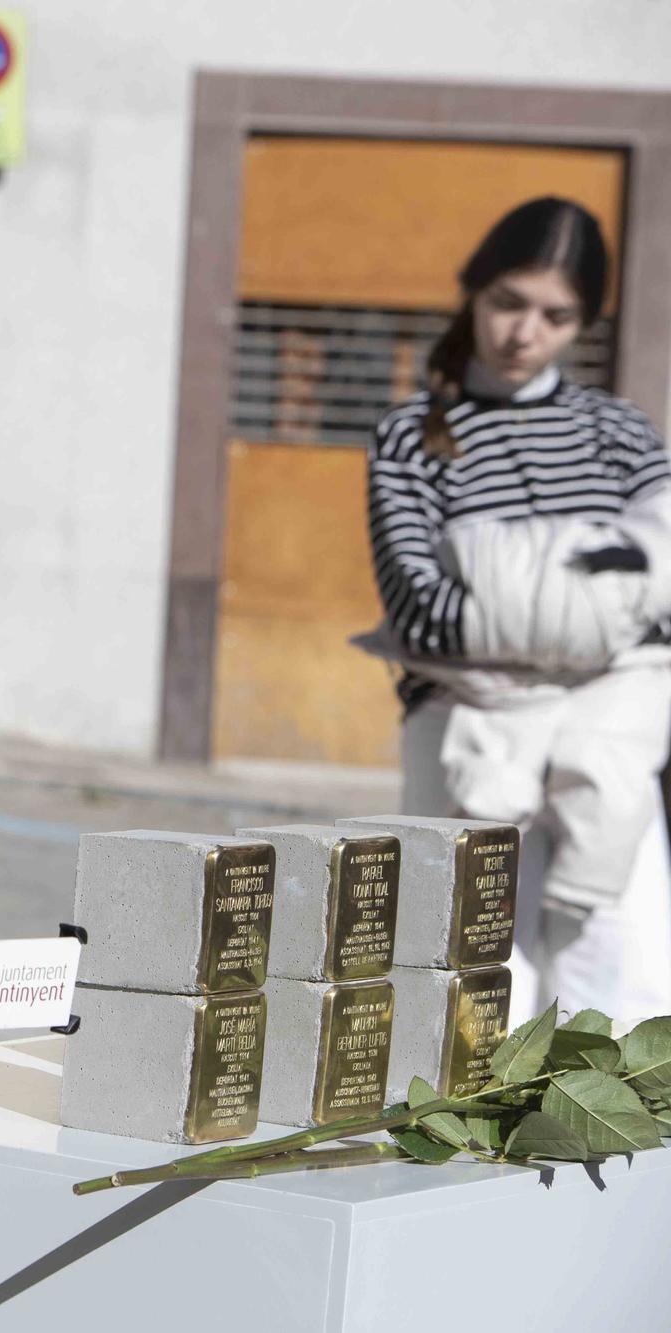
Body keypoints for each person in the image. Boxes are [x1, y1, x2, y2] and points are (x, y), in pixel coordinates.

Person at [361, 196, 671, 1026]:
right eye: (508, 301)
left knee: (621, 989)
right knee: (467, 985)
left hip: (605, 745)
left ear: (584, 323)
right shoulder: (411, 435)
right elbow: (420, 613)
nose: (524, 331)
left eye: (555, 314)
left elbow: (669, 593)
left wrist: (499, 587)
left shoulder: (623, 433)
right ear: (473, 289)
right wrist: (600, 608)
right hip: (468, 737)